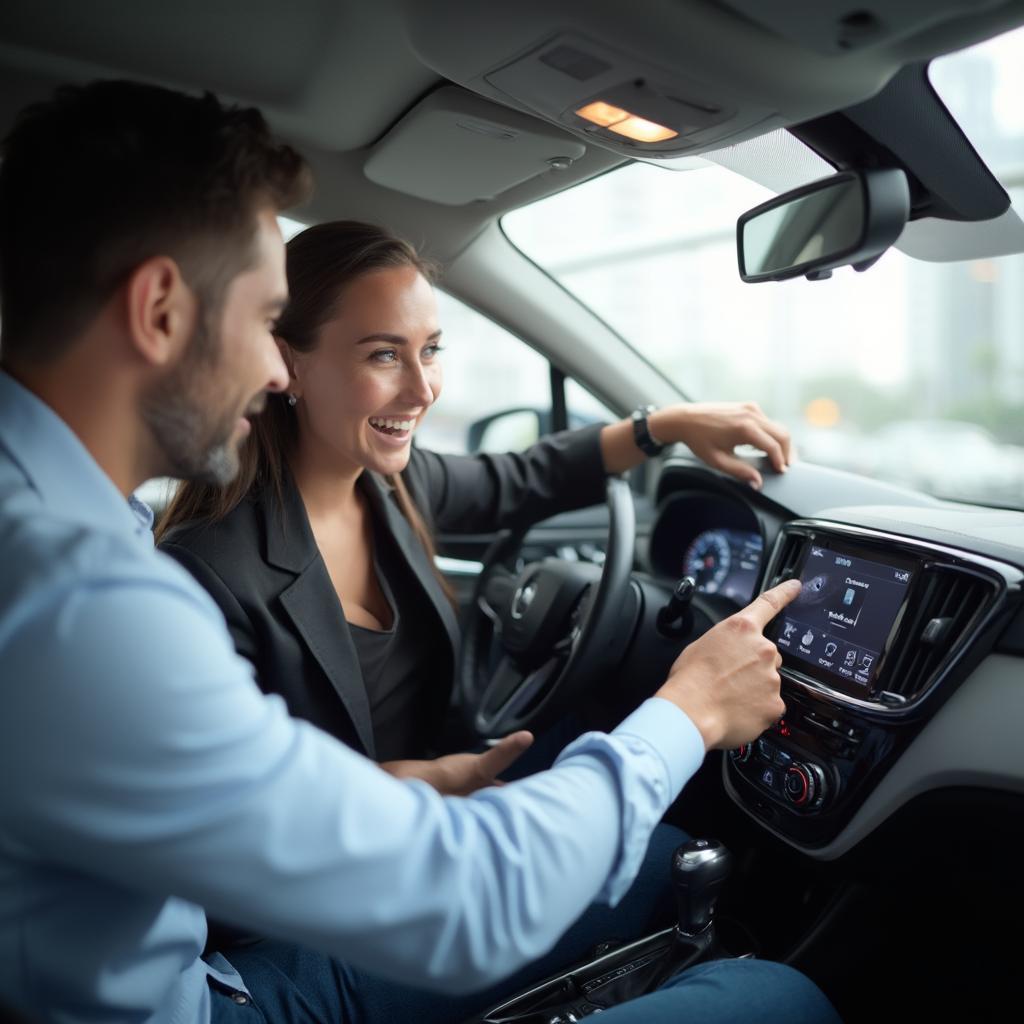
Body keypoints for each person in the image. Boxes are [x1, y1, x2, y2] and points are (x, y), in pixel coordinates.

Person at [0, 79, 839, 1024]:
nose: (271, 368)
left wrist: (663, 424)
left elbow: (519, 478)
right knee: (779, 996)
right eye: (261, 321)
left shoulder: (75, 534)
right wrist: (687, 711)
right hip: (228, 987)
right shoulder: (92, 604)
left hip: (209, 966)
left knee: (652, 860)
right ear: (159, 308)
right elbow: (468, 902)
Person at [155, 219, 794, 775]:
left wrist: (667, 425)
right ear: (289, 365)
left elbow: (525, 476)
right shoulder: (208, 573)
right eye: (384, 355)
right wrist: (425, 788)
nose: (423, 389)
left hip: (455, 793)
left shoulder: (395, 484)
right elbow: (245, 807)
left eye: (430, 351)